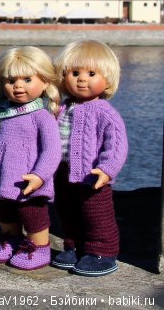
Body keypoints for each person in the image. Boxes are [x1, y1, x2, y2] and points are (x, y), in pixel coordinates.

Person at [0, 46, 61, 270]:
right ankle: (11, 238)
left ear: (45, 82)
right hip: (1, 176)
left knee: (32, 214)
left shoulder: (42, 117)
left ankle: (39, 247)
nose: (18, 86)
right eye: (11, 80)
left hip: (28, 179)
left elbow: (52, 151)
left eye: (27, 79)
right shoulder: (2, 113)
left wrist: (40, 175)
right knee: (3, 209)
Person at [51, 40, 127, 277]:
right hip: (62, 171)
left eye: (91, 74)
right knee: (67, 210)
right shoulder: (61, 108)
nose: (81, 79)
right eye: (74, 73)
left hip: (92, 174)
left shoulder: (105, 113)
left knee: (96, 214)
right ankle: (74, 245)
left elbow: (116, 145)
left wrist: (106, 169)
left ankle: (102, 251)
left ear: (108, 80)